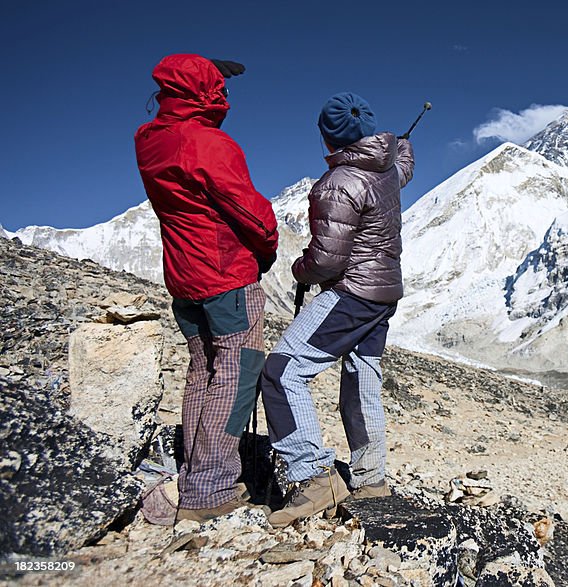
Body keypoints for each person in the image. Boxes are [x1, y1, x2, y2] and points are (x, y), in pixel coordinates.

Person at [135, 54, 279, 522]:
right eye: (221, 88)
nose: (227, 96)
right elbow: (249, 210)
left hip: (184, 275)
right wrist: (269, 245)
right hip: (225, 273)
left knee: (203, 372)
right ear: (208, 94)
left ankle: (195, 472)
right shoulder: (207, 143)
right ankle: (211, 487)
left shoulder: (151, 140)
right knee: (239, 373)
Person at [260, 92, 413, 528]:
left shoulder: (339, 183)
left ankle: (312, 477)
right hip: (384, 294)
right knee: (362, 373)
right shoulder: (387, 171)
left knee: (283, 369)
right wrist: (401, 144)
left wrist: (299, 269)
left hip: (351, 293)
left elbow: (327, 261)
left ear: (327, 136)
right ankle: (370, 478)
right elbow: (405, 163)